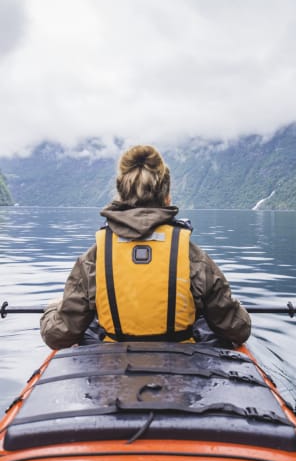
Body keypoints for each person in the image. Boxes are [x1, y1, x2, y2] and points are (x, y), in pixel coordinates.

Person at [40, 145, 251, 349]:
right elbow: (237, 330)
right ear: (166, 198)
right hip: (179, 368)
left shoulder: (93, 259)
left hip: (114, 369)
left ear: (121, 197)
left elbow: (59, 336)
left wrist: (51, 309)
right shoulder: (192, 257)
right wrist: (237, 308)